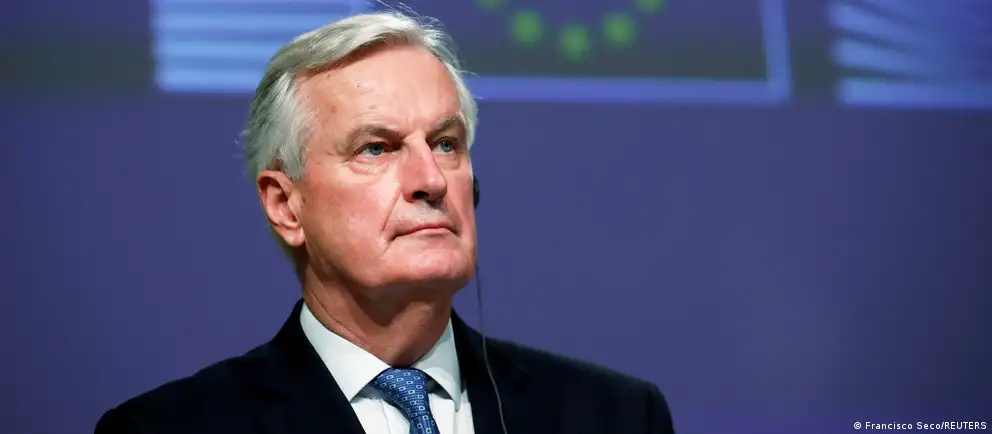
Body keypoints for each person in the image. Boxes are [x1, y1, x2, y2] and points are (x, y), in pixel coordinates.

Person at [95, 11, 675, 434]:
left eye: (446, 143)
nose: (431, 179)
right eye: (376, 148)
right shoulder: (169, 428)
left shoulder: (617, 417)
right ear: (285, 206)